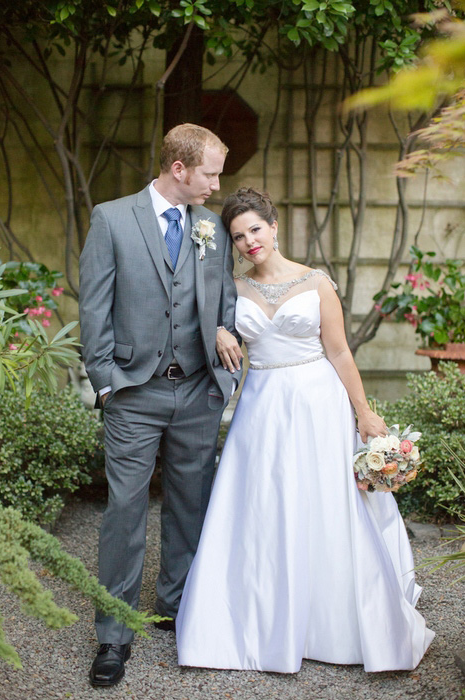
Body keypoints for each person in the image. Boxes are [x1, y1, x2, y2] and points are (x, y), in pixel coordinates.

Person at [175, 187, 434, 673]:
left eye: (255, 229)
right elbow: (196, 316)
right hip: (263, 406)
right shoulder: (233, 287)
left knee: (324, 501)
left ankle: (332, 620)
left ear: (273, 227)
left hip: (318, 403)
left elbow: (339, 352)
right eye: (238, 236)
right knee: (262, 504)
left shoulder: (317, 283)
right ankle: (259, 619)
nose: (249, 241)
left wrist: (363, 412)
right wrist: (217, 329)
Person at [79, 124, 243, 687]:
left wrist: (223, 332)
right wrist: (105, 382)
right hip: (135, 392)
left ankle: (177, 608)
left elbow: (223, 298)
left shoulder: (210, 229)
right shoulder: (112, 218)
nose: (217, 186)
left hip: (198, 390)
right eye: (211, 173)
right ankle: (113, 634)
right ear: (179, 168)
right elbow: (94, 307)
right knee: (125, 511)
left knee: (189, 504)